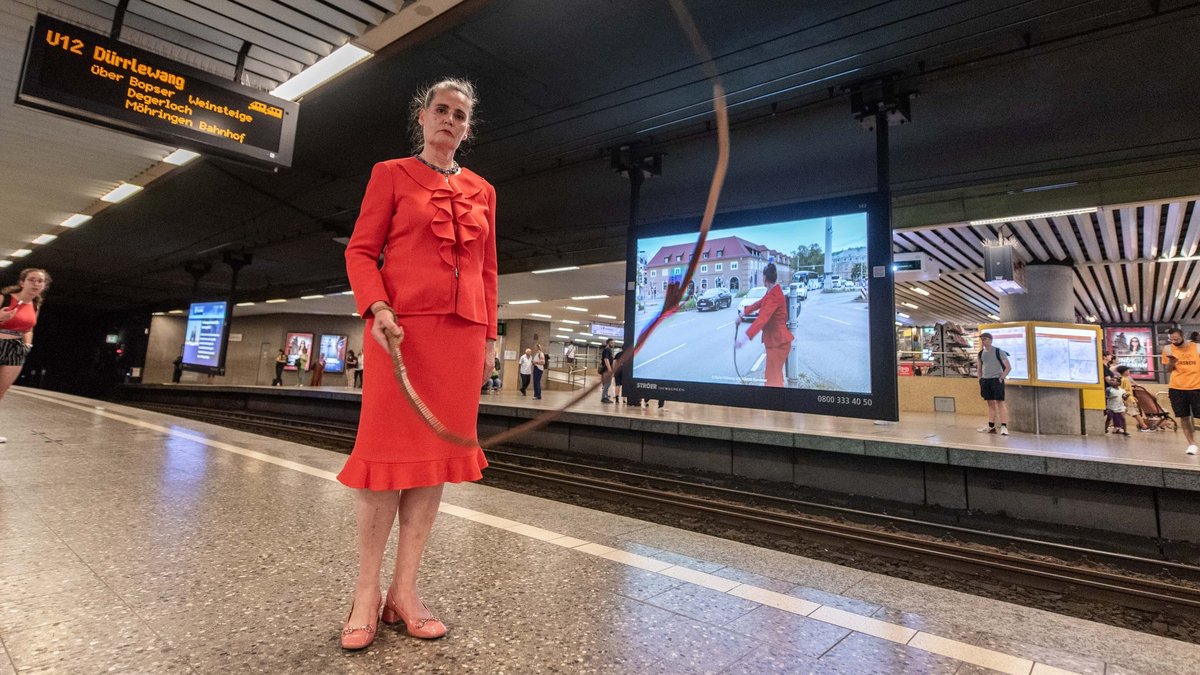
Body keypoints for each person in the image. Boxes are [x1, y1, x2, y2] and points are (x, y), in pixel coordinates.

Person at [337, 78, 495, 650]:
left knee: (432, 464)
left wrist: (489, 337)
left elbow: (488, 271)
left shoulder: (484, 190)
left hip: (461, 337)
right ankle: (364, 593)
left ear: (467, 127)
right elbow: (359, 250)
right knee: (384, 459)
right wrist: (376, 305)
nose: (450, 120)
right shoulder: (390, 175)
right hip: (398, 334)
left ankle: (404, 592)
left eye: (460, 114)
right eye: (441, 110)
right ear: (422, 117)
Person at [0, 269, 50, 443]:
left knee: (1, 392)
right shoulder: (4, 298)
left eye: (40, 281)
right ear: (22, 282)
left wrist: (27, 344)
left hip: (16, 348)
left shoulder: (35, 304)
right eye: (32, 280)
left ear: (44, 286)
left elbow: (28, 328)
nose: (36, 284)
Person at [735, 262, 794, 387]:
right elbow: (759, 303)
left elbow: (762, 319)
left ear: (765, 278)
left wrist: (744, 339)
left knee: (772, 381)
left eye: (763, 276)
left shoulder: (774, 295)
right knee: (775, 378)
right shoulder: (772, 292)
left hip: (778, 343)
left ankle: (773, 404)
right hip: (776, 342)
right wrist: (743, 313)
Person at [1162, 327, 1200, 455]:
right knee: (1184, 417)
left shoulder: (1197, 347)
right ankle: (1192, 444)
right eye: (1172, 339)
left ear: (1182, 336)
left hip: (1196, 386)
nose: (1174, 341)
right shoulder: (1168, 349)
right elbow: (1167, 370)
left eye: (1176, 339)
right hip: (1177, 387)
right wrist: (1172, 362)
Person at [975, 332, 1012, 435]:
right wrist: (980, 379)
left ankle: (1004, 426)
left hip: (996, 380)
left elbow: (1008, 367)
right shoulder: (981, 353)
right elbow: (979, 368)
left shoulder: (998, 351)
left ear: (991, 340)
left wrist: (1002, 377)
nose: (983, 341)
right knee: (990, 404)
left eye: (985, 339)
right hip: (985, 381)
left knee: (1000, 402)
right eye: (982, 339)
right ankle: (991, 426)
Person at [599, 338, 615, 403]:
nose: (613, 344)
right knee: (607, 384)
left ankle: (605, 396)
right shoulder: (607, 350)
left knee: (606, 384)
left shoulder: (607, 350)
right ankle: (603, 398)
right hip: (606, 370)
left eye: (613, 343)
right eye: (612, 343)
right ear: (608, 343)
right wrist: (610, 369)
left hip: (605, 369)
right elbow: (606, 359)